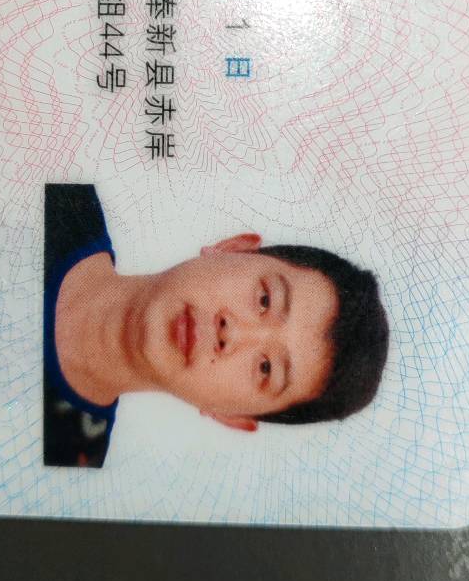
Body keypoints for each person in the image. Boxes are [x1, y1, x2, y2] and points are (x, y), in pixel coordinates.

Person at [44, 184, 389, 467]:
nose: (233, 333)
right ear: (233, 248)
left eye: (266, 369)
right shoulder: (59, 198)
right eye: (265, 299)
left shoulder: (69, 467)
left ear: (232, 416)